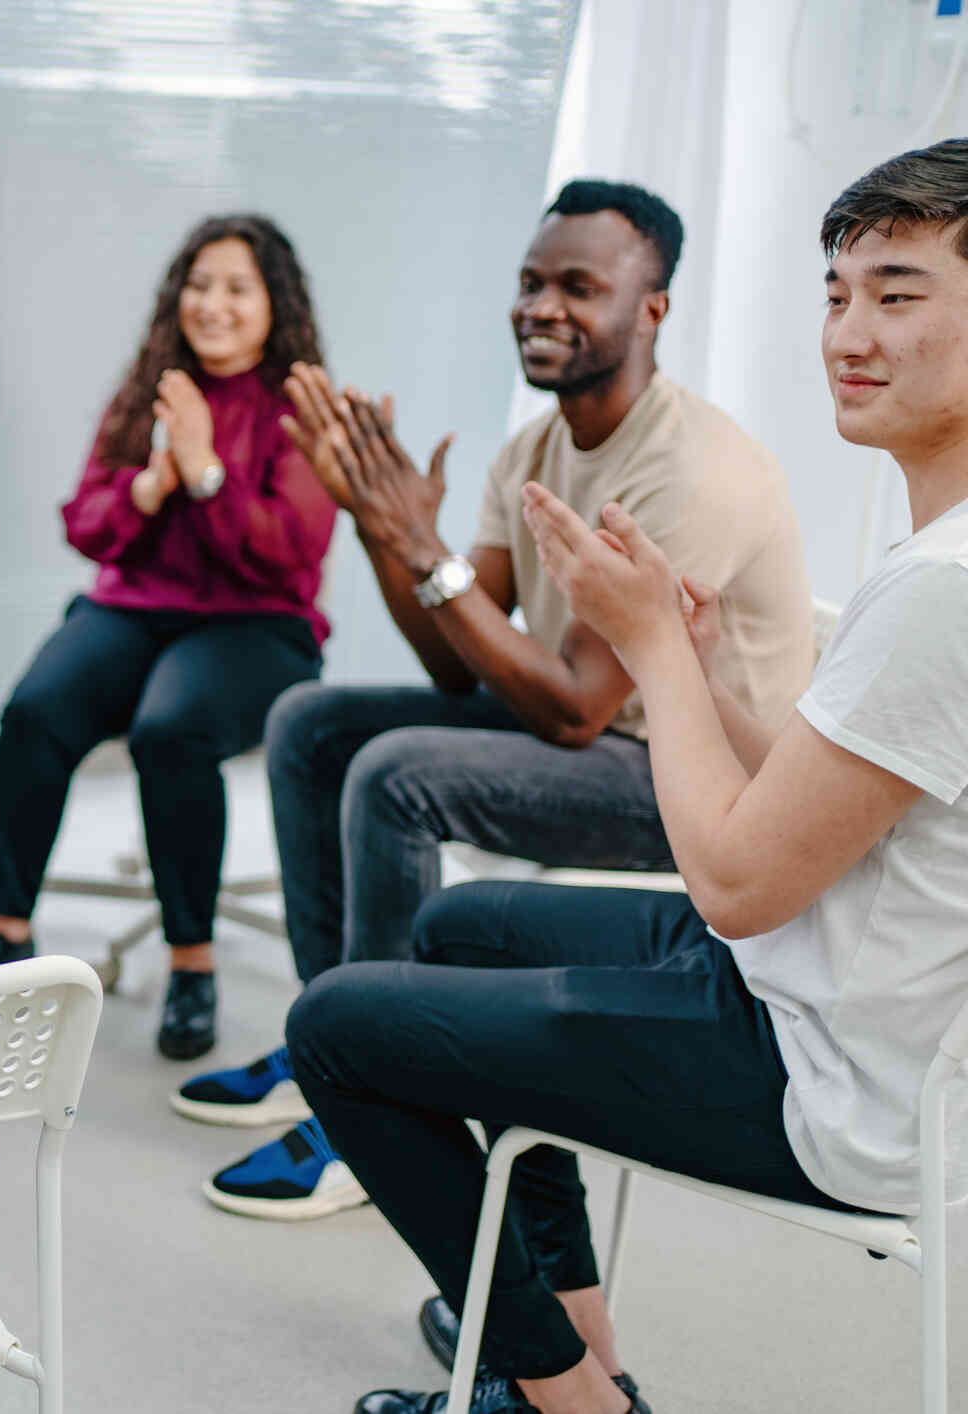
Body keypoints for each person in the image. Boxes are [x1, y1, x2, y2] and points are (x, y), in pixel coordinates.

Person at [288, 139, 968, 1414]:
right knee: (455, 926)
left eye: (895, 292)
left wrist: (654, 644)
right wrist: (699, 665)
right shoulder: (930, 550)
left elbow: (732, 882)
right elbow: (834, 809)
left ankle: (566, 1404)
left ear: (647, 309)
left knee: (336, 1028)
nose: (844, 332)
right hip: (816, 972)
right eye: (833, 293)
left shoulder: (941, 585)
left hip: (831, 1072)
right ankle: (585, 1345)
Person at [175, 180, 815, 1225]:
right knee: (312, 723)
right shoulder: (532, 448)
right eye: (528, 283)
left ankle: (374, 1096)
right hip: (595, 733)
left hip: (699, 778)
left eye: (577, 286)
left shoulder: (688, 469)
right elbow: (457, 662)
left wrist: (423, 549)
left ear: (648, 308)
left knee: (395, 775)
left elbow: (568, 706)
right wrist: (384, 530)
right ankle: (325, 1035)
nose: (540, 306)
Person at [0, 213, 338, 1063]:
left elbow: (289, 553)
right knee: (35, 709)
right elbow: (85, 525)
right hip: (132, 605)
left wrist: (206, 472)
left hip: (256, 624)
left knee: (172, 731)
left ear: (276, 303)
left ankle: (191, 965)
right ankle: (5, 931)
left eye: (238, 287)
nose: (214, 304)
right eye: (200, 285)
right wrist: (151, 485)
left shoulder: (300, 406)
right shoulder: (149, 390)